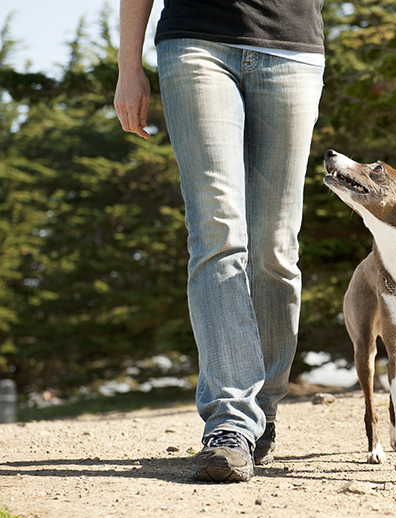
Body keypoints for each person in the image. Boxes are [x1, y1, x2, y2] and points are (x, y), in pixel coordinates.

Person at [114, 0, 325, 482]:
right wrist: (130, 66)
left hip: (291, 48)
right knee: (217, 232)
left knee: (275, 248)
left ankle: (263, 407)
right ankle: (230, 421)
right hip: (196, 41)